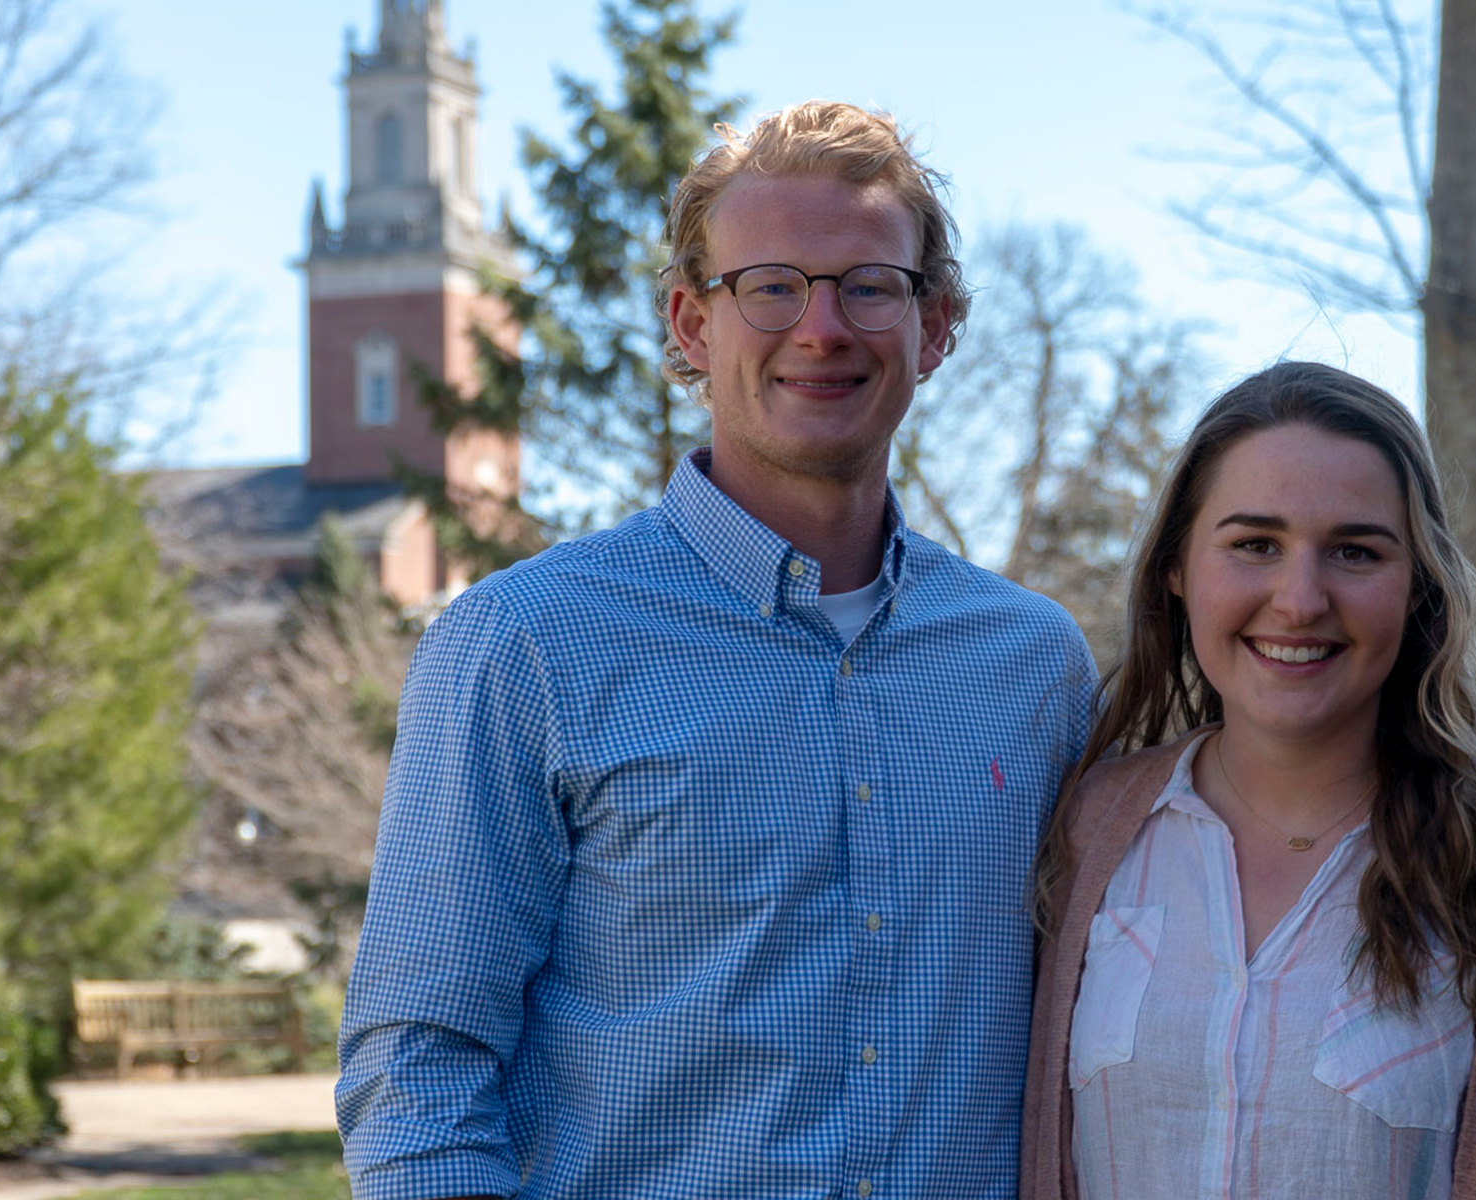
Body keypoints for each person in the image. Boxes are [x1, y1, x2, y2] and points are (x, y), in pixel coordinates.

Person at [336, 101, 1098, 1200]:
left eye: (867, 286)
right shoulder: (522, 648)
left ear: (934, 328)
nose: (821, 328)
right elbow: (417, 1074)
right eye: (771, 286)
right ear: (692, 325)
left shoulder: (1033, 668)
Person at [1019, 362, 1476, 1199]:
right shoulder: (1086, 832)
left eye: (1355, 552)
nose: (1299, 599)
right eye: (1255, 544)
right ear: (1177, 567)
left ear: (1418, 584)